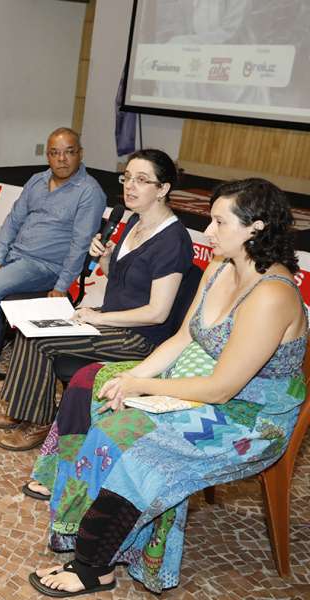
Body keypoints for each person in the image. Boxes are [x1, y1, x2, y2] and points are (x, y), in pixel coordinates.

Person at [26, 178, 307, 596]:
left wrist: (142, 384)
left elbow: (223, 389)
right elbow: (182, 339)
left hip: (250, 420)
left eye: (218, 222)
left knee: (135, 443)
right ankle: (88, 536)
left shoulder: (272, 295)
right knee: (107, 406)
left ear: (256, 228)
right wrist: (135, 379)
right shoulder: (218, 269)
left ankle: (93, 566)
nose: (207, 232)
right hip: (215, 391)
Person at [0, 149, 195, 452]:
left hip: (139, 337)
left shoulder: (173, 240)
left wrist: (98, 318)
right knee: (29, 327)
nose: (130, 186)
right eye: (127, 178)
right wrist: (109, 258)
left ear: (163, 189)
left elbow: (157, 313)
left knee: (41, 341)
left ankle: (39, 421)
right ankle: (21, 410)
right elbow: (117, 279)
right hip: (113, 318)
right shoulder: (134, 222)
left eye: (142, 180)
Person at [0, 128, 106, 371]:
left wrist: (61, 286)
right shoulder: (37, 180)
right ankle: (1, 325)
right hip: (14, 254)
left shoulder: (89, 192)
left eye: (69, 152)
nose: (62, 159)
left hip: (45, 265)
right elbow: (12, 222)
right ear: (47, 155)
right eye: (55, 153)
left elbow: (80, 244)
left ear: (80, 153)